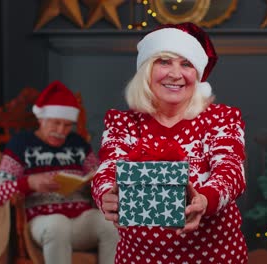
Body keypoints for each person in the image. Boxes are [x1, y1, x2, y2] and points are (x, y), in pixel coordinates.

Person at [92, 22, 248, 263]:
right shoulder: (123, 123)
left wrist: (203, 200)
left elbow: (230, 172)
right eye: (164, 61)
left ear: (196, 74)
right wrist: (106, 196)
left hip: (214, 256)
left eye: (186, 63)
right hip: (140, 257)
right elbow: (107, 170)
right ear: (146, 70)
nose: (175, 74)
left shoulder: (220, 118)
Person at [0, 80, 118, 264]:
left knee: (111, 224)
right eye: (56, 123)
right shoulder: (20, 145)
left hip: (81, 220)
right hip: (44, 221)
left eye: (67, 125)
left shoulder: (78, 143)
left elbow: (99, 177)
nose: (61, 131)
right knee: (58, 224)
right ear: (41, 119)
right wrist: (29, 183)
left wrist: (97, 182)